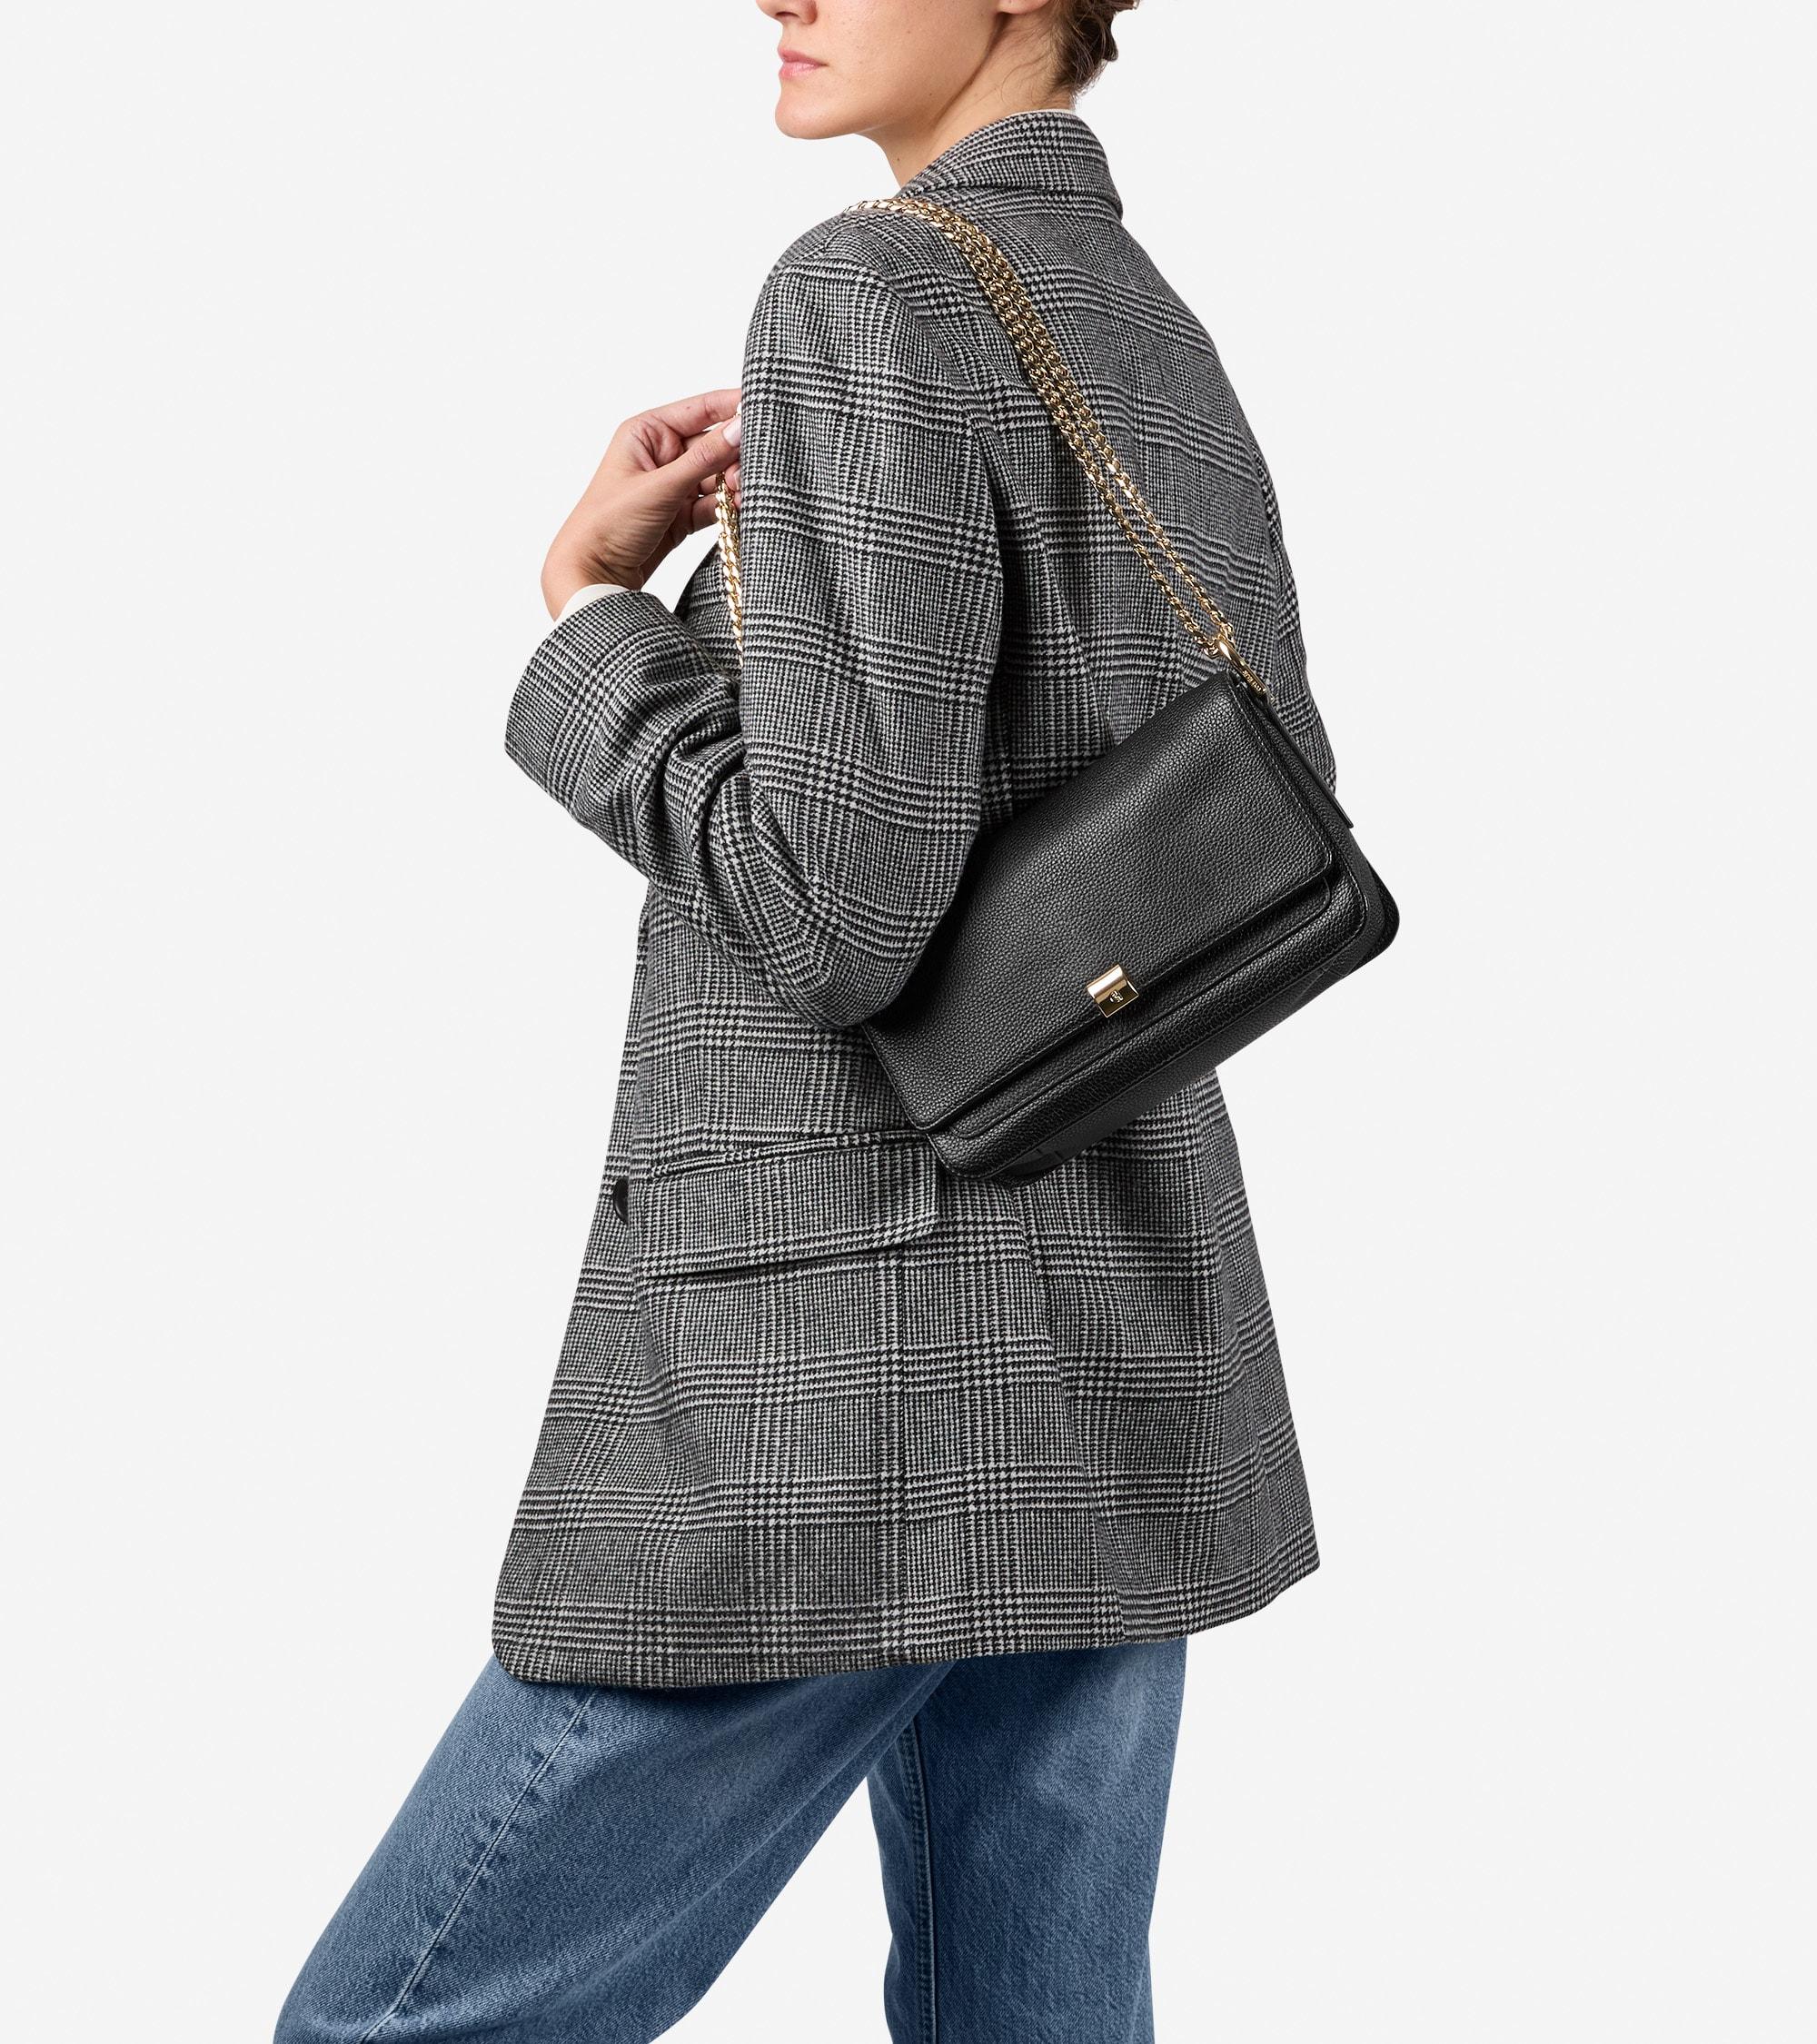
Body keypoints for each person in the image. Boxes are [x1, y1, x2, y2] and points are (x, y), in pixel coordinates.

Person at [275, 2, 1343, 2038]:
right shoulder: (1136, 317)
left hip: (832, 1373)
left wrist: (597, 621)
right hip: (1105, 1328)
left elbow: (843, 912)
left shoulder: (864, 290)